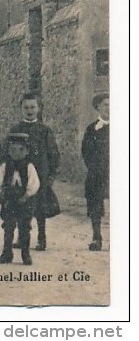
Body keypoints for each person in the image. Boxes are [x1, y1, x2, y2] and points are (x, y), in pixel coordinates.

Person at [12, 92, 61, 251]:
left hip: (40, 175)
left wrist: (51, 175)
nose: (29, 110)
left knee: (40, 208)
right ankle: (22, 237)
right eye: (26, 107)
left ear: (38, 109)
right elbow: (7, 152)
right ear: (21, 109)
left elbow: (53, 154)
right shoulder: (16, 129)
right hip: (21, 174)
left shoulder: (44, 130)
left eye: (33, 107)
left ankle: (42, 239)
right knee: (20, 205)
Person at [0, 132, 40, 265]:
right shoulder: (5, 167)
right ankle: (7, 253)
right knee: (8, 227)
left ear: (27, 151)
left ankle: (26, 255)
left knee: (25, 228)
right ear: (8, 151)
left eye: (21, 150)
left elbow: (34, 184)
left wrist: (26, 196)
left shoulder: (29, 167)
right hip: (9, 201)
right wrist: (0, 195)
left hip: (25, 202)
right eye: (12, 150)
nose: (16, 153)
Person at [81, 92, 110, 251]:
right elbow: (86, 152)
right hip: (97, 172)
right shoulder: (92, 129)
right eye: (106, 105)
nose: (109, 108)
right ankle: (96, 237)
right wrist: (94, 167)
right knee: (95, 203)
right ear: (98, 107)